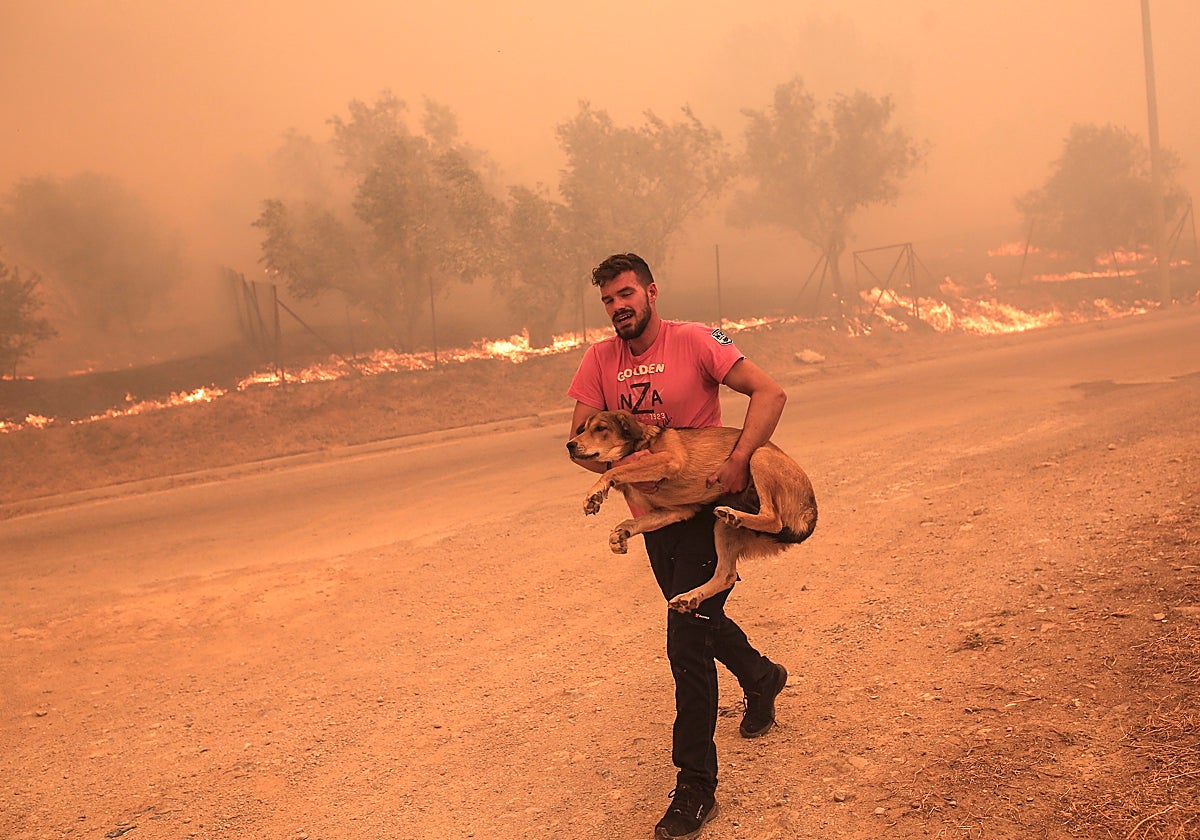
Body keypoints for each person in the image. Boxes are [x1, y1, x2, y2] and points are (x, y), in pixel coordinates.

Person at [567, 253, 790, 839]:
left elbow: (769, 393)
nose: (618, 307)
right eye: (608, 300)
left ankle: (695, 787)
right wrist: (617, 477)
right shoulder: (599, 360)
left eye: (626, 294)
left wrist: (741, 459)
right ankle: (761, 676)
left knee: (684, 645)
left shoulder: (698, 339)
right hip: (653, 520)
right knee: (699, 618)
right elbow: (581, 441)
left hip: (704, 507)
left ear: (651, 292)